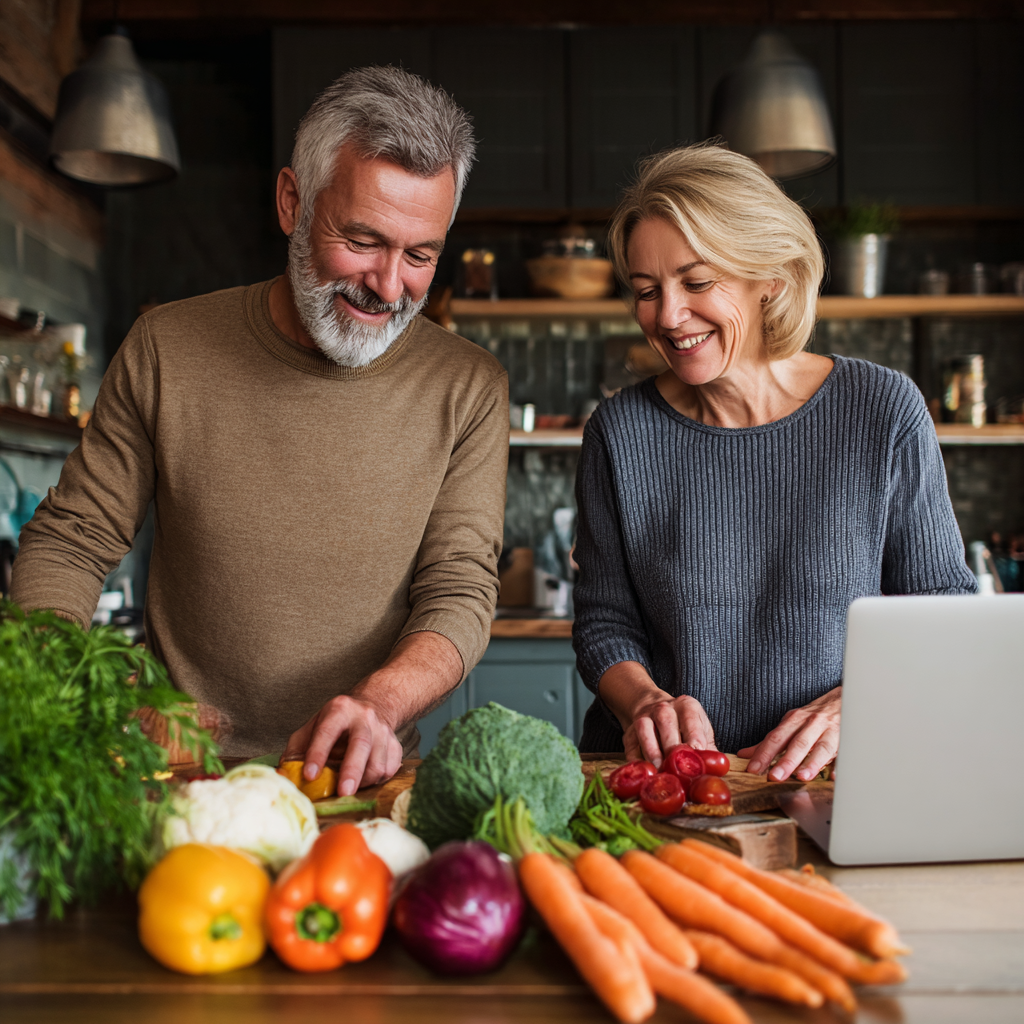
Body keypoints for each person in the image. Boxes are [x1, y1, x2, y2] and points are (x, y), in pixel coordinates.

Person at [11, 66, 509, 796]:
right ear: (292, 202)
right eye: (362, 240)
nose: (388, 285)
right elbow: (71, 539)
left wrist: (379, 705)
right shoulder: (166, 348)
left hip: (360, 784)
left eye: (420, 255)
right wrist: (70, 692)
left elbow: (460, 588)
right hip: (180, 776)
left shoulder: (468, 386)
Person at [572, 144, 976, 782]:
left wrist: (857, 704)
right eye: (647, 291)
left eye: (697, 282)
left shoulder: (882, 410)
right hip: (669, 782)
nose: (667, 316)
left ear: (772, 279)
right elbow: (604, 622)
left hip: (840, 778)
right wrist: (644, 702)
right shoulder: (619, 433)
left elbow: (943, 611)